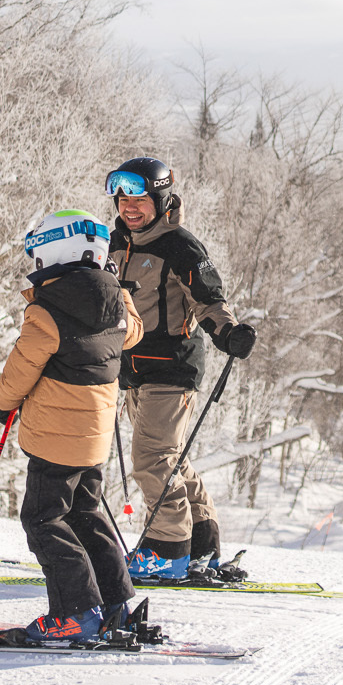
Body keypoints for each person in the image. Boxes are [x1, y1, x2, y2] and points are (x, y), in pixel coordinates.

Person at [0, 208, 144, 645]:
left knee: (43, 520)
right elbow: (133, 332)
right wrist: (117, 285)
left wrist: (3, 405)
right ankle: (115, 605)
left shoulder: (47, 309)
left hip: (55, 438)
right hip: (94, 440)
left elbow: (22, 368)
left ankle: (75, 613)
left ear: (58, 252)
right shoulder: (116, 303)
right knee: (85, 514)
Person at [104, 156, 257, 581]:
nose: (129, 206)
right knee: (169, 458)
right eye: (122, 198)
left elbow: (209, 301)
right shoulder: (114, 244)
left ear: (160, 198)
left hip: (170, 369)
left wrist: (228, 334)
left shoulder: (180, 246)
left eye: (139, 198)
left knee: (151, 460)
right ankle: (201, 544)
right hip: (132, 371)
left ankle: (167, 550)